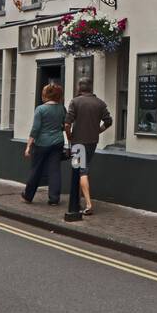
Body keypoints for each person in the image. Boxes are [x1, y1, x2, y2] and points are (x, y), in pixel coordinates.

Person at [64, 79, 112, 215]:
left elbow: (67, 123)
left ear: (79, 88)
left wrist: (69, 136)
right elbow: (108, 121)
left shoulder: (75, 102)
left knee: (80, 171)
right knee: (81, 169)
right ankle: (76, 201)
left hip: (77, 143)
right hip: (92, 142)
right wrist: (98, 131)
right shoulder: (100, 103)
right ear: (91, 88)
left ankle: (88, 204)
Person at [23, 83, 66, 205]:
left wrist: (28, 146)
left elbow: (35, 129)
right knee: (55, 170)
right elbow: (64, 125)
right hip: (58, 142)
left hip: (42, 143)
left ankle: (28, 195)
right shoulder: (62, 108)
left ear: (45, 95)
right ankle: (54, 199)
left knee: (36, 169)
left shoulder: (40, 109)